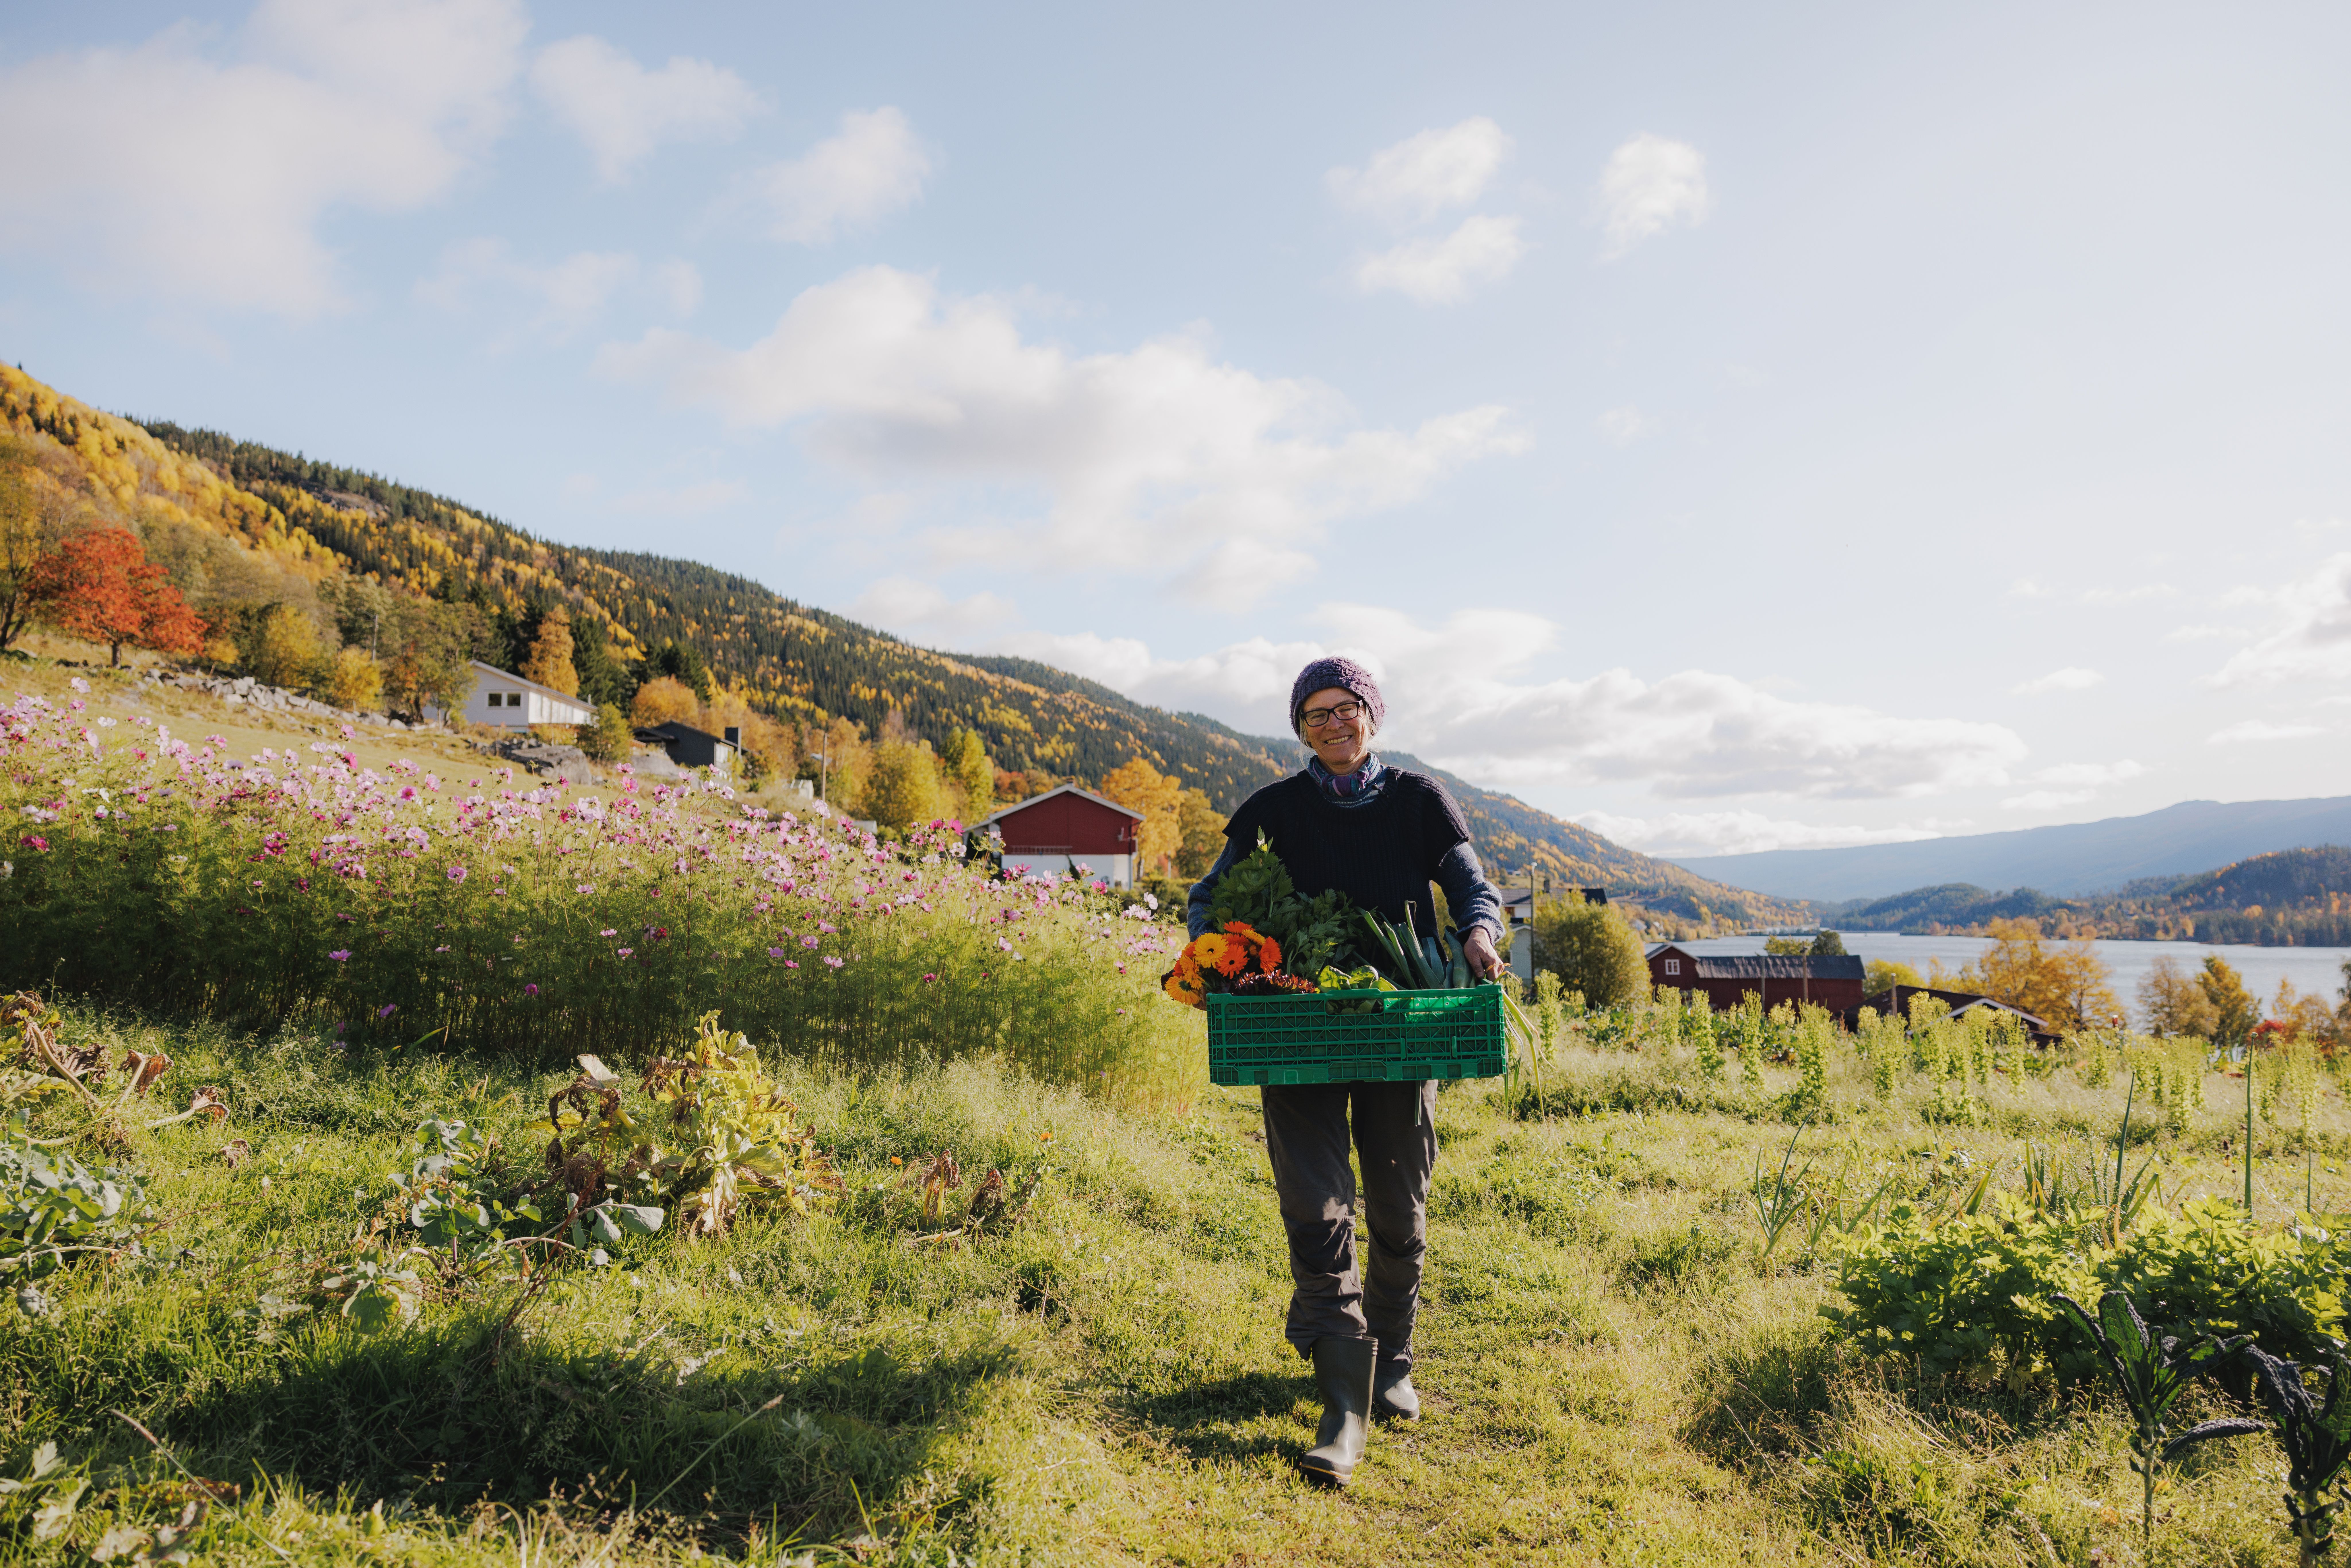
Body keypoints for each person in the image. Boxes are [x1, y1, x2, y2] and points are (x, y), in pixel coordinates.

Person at [1187, 657, 1505, 1489]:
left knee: (1401, 1208)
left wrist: (1477, 934)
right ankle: (1345, 1409)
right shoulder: (1270, 810)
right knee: (1315, 1208)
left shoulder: (1419, 801)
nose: (1333, 724)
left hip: (1402, 1025)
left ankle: (1391, 1358)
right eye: (1315, 714)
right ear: (1299, 727)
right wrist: (1212, 963)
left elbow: (1474, 887)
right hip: (1296, 1026)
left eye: (1346, 709)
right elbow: (1209, 899)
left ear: (1373, 716)